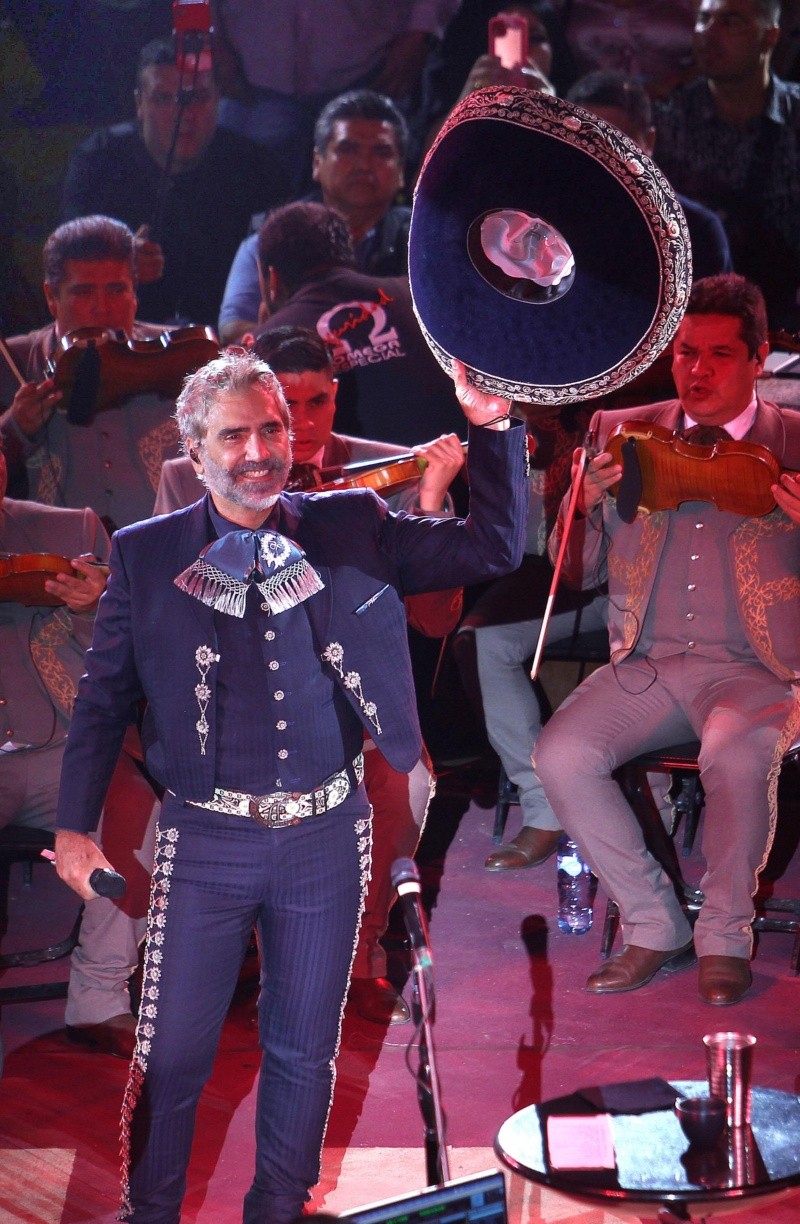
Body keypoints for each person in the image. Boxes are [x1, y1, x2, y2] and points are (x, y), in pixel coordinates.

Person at [53, 347, 527, 1222]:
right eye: (234, 436)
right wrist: (74, 828)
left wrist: (494, 428)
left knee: (305, 1051)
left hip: (327, 836)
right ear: (195, 451)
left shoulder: (354, 521)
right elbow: (102, 699)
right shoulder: (145, 554)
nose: (259, 451)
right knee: (173, 1054)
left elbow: (495, 544)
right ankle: (150, 1212)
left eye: (272, 429)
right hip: (206, 840)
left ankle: (278, 1206)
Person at [154, 325, 466, 1024]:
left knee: (408, 783)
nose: (302, 423)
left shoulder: (382, 476)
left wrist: (431, 504)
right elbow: (170, 608)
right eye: (284, 408)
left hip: (345, 703)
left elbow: (436, 621)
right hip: (232, 702)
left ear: (335, 396)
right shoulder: (189, 475)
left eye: (317, 403)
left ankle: (355, 956)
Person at [533, 273, 800, 1006]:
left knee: (735, 757)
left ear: (760, 358)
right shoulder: (620, 431)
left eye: (720, 354)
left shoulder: (795, 440)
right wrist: (581, 507)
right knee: (560, 755)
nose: (698, 371)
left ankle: (725, 936)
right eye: (685, 354)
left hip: (761, 668)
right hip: (647, 662)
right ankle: (655, 924)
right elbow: (577, 573)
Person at [0, 445, 157, 1058]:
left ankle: (98, 998)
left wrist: (97, 610)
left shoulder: (71, 530)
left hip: (63, 745)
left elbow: (132, 654)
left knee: (139, 816)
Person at [60, 36, 285, 328]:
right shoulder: (99, 161)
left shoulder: (254, 165)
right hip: (126, 331)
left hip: (225, 332)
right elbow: (67, 257)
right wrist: (115, 263)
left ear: (219, 100)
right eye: (164, 99)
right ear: (139, 104)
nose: (183, 115)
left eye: (197, 98)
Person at [0, 215, 184, 531]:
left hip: (167, 546)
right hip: (50, 554)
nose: (102, 307)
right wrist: (15, 428)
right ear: (51, 297)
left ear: (134, 292)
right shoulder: (12, 363)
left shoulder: (179, 354)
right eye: (83, 292)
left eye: (116, 289)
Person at [255, 201, 464, 446]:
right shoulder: (424, 295)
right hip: (464, 463)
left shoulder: (262, 347)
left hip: (351, 472)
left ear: (273, 278)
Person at [219, 89, 412, 344]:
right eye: (348, 149)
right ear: (317, 162)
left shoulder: (422, 242)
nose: (364, 165)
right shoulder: (275, 238)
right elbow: (234, 333)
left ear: (401, 173)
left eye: (381, 152)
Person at [210, 0, 461, 194]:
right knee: (243, 205)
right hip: (250, 73)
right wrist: (208, 32)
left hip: (370, 68)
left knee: (368, 223)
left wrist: (422, 29)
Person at [654, 0, 800, 330]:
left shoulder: (795, 115)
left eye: (731, 21)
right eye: (704, 19)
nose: (708, 33)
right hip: (697, 312)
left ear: (770, 37)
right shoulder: (669, 120)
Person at [565, 70, 734, 281]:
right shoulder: (544, 221)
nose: (601, 158)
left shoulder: (695, 234)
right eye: (588, 142)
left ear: (649, 142)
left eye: (617, 144)